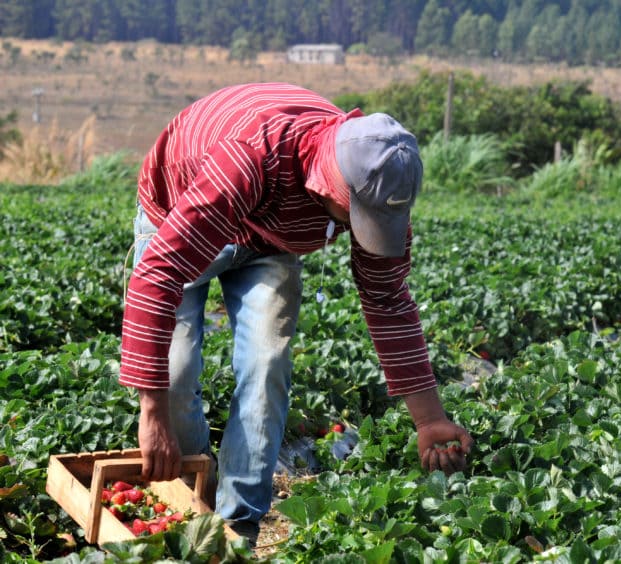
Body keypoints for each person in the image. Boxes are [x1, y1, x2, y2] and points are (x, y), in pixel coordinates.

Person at [120, 83, 474, 543]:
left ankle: (238, 524)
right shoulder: (247, 159)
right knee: (176, 373)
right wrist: (152, 413)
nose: (353, 227)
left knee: (268, 361)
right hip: (179, 212)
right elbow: (158, 277)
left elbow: (386, 298)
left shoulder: (376, 184)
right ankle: (191, 495)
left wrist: (429, 420)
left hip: (269, 241)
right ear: (327, 180)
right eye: (352, 215)